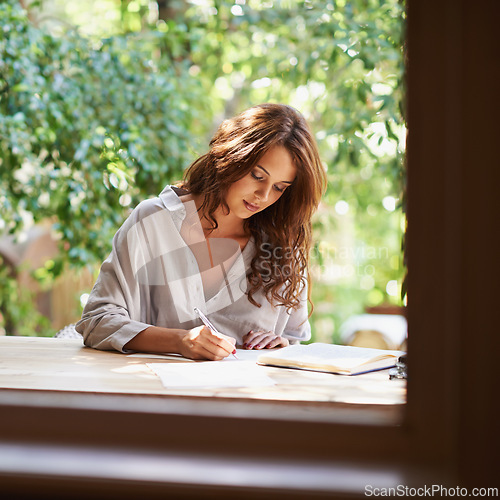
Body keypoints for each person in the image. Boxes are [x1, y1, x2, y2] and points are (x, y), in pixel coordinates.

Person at [76, 103, 326, 360]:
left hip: (244, 397)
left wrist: (280, 343)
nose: (263, 196)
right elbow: (97, 322)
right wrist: (180, 341)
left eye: (279, 187)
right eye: (257, 175)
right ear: (232, 155)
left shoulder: (282, 244)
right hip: (154, 392)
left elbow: (294, 341)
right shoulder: (154, 222)